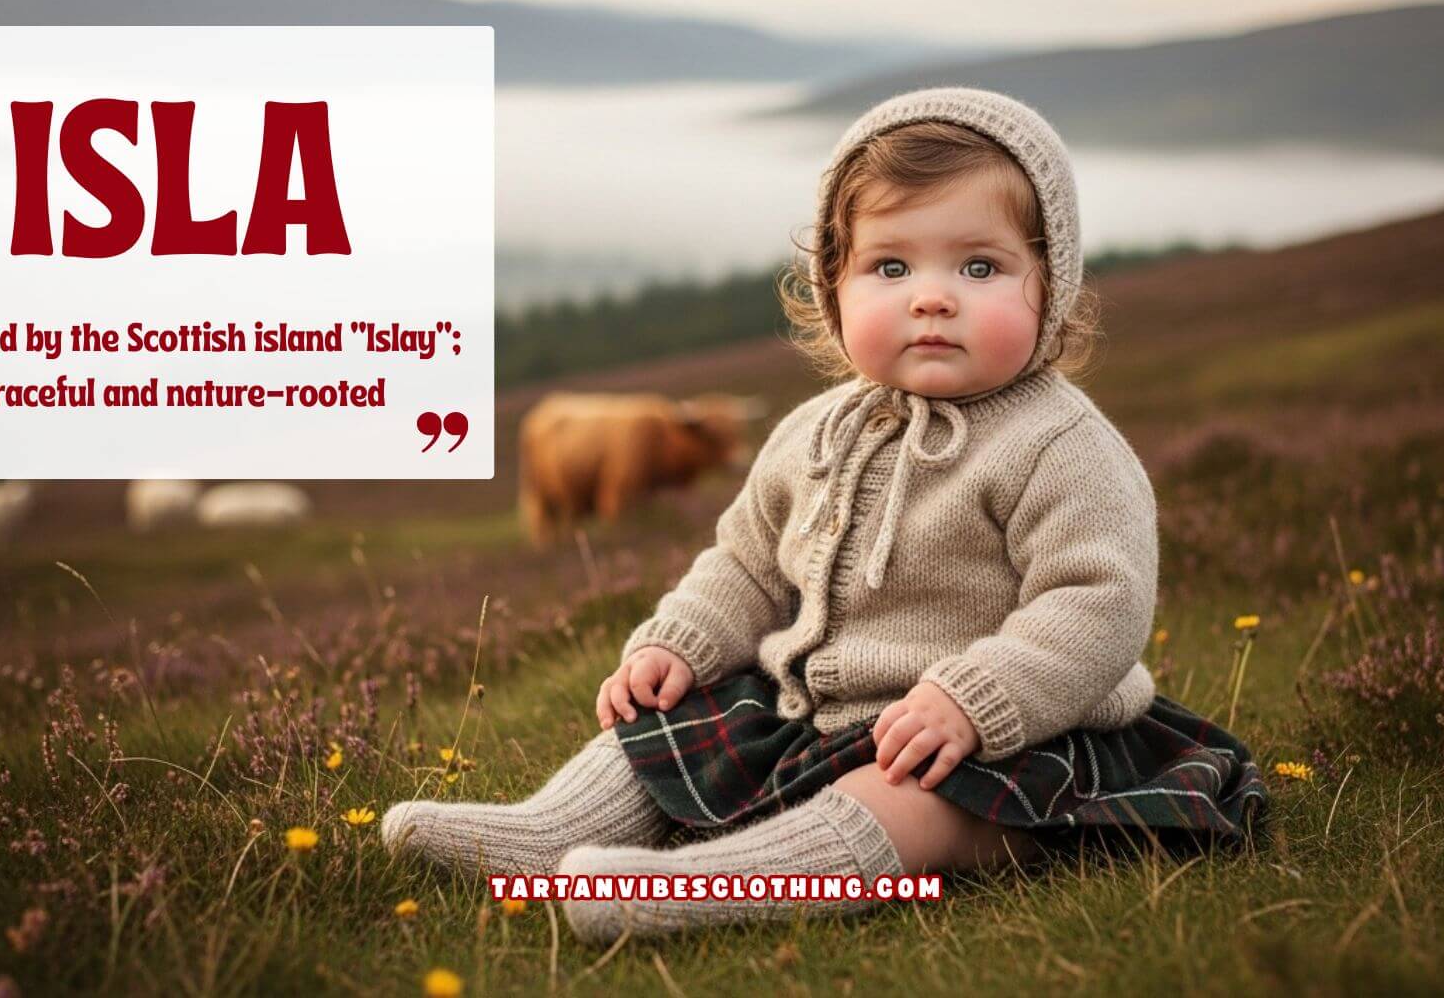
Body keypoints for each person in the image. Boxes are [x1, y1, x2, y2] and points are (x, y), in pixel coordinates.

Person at [383, 86, 1268, 945]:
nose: (932, 296)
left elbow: (1096, 601)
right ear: (832, 286)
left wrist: (977, 698)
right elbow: (746, 562)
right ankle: (546, 832)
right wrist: (677, 643)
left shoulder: (1057, 442)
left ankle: (710, 885)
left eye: (980, 266)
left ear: (1053, 283)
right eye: (891, 267)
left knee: (908, 806)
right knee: (682, 716)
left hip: (1007, 736)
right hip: (823, 709)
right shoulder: (814, 430)